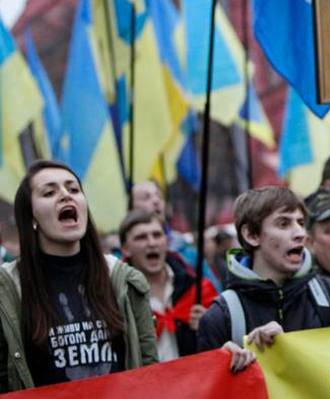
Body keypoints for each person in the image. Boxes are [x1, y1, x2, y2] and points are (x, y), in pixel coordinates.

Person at [0, 160, 157, 392]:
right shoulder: (8, 290)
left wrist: (222, 357)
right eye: (49, 192)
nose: (65, 195)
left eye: (73, 189)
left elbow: (152, 370)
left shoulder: (123, 279)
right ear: (31, 217)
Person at [197, 187, 330, 352]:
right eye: (284, 224)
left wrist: (289, 349)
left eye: (301, 223)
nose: (300, 233)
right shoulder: (221, 317)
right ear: (252, 235)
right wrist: (225, 366)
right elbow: (209, 377)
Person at [119, 209, 217, 361]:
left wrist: (208, 326)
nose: (151, 243)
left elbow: (222, 345)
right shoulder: (117, 297)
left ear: (167, 241)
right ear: (125, 249)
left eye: (157, 235)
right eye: (141, 237)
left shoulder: (197, 289)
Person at [130, 180, 221, 291]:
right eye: (146, 197)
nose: (156, 201)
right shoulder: (120, 263)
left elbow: (215, 293)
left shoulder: (189, 254)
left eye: (159, 196)